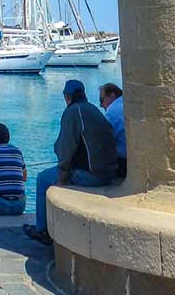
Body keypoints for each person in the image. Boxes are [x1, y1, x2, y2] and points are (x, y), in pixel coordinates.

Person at [23, 79, 117, 245]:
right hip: (110, 172)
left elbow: (65, 148)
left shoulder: (73, 112)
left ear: (67, 96)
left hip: (92, 176)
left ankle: (41, 230)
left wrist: (63, 176)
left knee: (42, 179)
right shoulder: (93, 110)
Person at [99, 83, 126, 179]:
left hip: (122, 163)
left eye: (102, 100)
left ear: (112, 96)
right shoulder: (127, 104)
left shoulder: (112, 112)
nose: (101, 105)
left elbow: (103, 142)